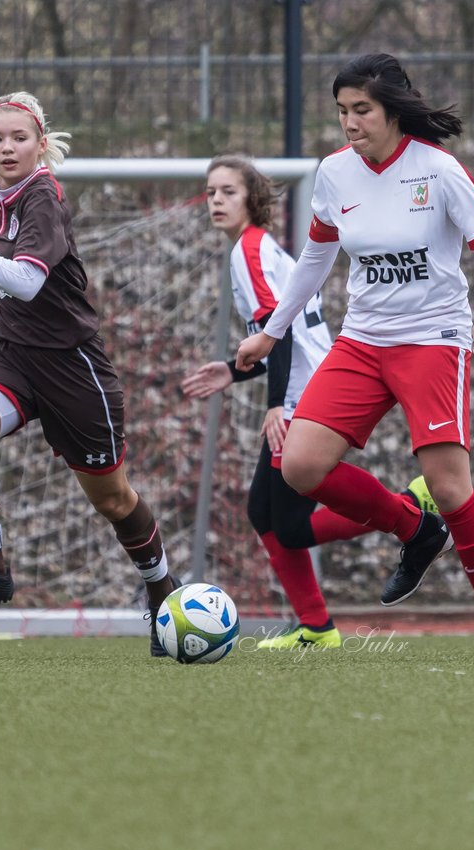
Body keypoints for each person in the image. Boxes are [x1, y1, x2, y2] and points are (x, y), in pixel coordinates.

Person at [234, 53, 474, 661]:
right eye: (341, 111)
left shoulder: (438, 170)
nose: (349, 122)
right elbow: (316, 257)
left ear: (391, 108)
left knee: (449, 487)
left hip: (433, 341)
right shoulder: (335, 173)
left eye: (360, 109)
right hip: (362, 340)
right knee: (301, 467)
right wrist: (271, 331)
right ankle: (413, 529)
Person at [0, 91, 178, 656]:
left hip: (70, 365)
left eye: (18, 138)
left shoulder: (43, 197)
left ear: (40, 144)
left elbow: (30, 280)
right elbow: (5, 262)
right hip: (11, 352)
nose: (7, 148)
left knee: (113, 500)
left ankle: (161, 589)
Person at [182, 155, 434, 650]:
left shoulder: (249, 250)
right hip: (301, 382)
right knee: (263, 511)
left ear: (252, 199)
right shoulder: (258, 249)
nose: (216, 200)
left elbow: (281, 329)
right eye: (211, 192)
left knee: (292, 528)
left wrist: (276, 405)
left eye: (228, 191)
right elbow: (280, 331)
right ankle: (316, 626)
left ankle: (408, 509)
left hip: (301, 393)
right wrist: (233, 372)